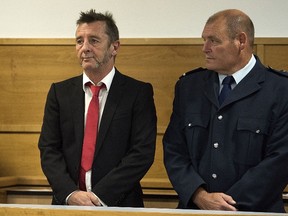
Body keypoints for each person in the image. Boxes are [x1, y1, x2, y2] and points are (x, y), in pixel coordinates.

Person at [163, 9, 288, 213]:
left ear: (241, 41)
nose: (205, 48)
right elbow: (174, 149)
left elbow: (280, 160)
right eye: (204, 40)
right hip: (196, 208)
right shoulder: (189, 87)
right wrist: (199, 195)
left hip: (255, 211)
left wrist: (226, 205)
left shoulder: (280, 90)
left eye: (213, 40)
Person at [38, 9, 157, 207]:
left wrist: (99, 197)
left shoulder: (137, 93)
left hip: (119, 204)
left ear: (114, 47)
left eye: (94, 40)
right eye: (79, 41)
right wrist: (70, 194)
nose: (84, 48)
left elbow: (142, 153)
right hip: (68, 205)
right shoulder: (60, 92)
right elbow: (49, 149)